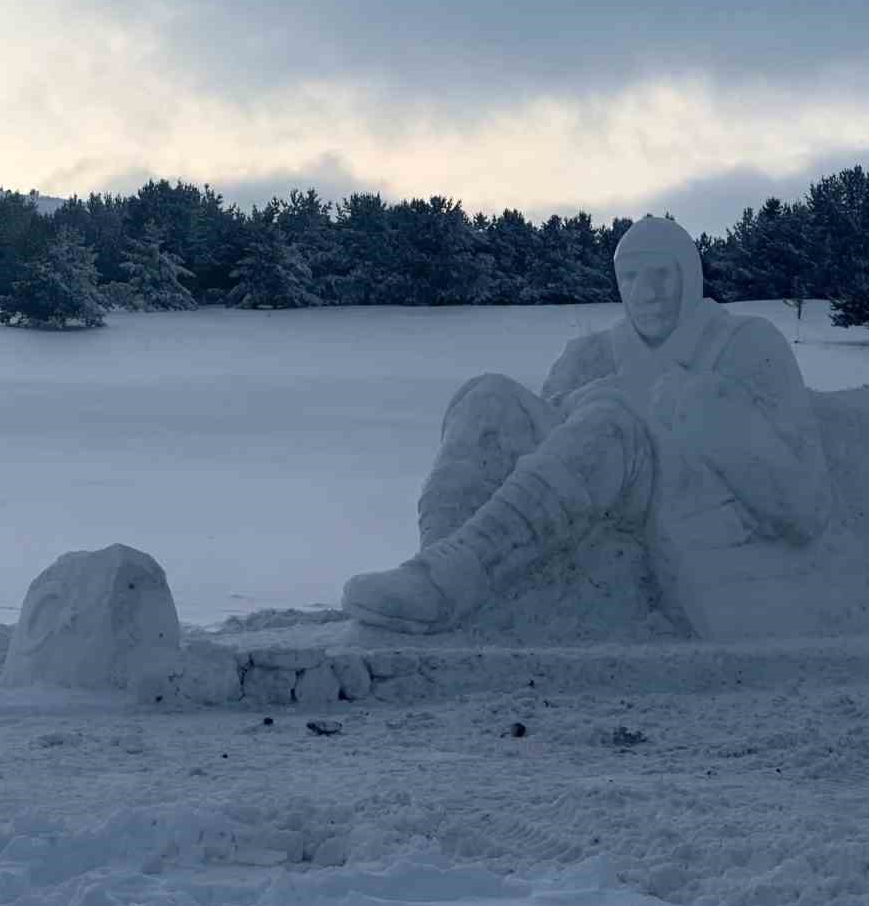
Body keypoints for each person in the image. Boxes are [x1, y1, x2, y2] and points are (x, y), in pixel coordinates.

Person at [342, 215, 834, 636]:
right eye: (631, 277)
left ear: (690, 276)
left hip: (684, 509)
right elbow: (547, 443)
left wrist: (710, 415)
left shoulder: (745, 345)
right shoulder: (593, 354)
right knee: (487, 395)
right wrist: (586, 399)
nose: (646, 293)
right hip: (590, 494)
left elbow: (803, 505)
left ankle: (453, 578)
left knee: (610, 418)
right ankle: (437, 574)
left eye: (662, 274)